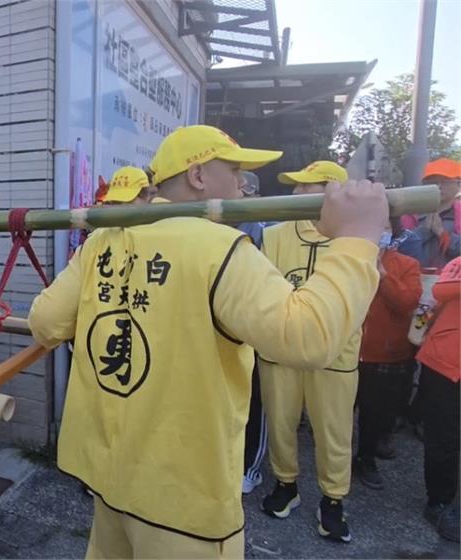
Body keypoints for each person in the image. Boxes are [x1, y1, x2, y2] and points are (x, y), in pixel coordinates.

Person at [29, 125, 385, 558]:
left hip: (107, 479)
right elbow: (308, 338)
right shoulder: (221, 247)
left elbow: (45, 323)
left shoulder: (102, 239)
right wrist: (356, 242)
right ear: (198, 176)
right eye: (234, 169)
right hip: (184, 497)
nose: (242, 183)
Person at [257, 160, 360, 542]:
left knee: (333, 429)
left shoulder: (355, 237)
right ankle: (286, 485)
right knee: (281, 421)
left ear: (332, 193)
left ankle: (333, 500)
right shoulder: (275, 234)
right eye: (296, 187)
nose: (297, 194)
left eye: (306, 187)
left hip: (336, 353)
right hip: (281, 347)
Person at [354, 219, 422, 490]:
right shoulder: (350, 260)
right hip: (348, 352)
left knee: (375, 415)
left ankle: (366, 458)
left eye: (384, 227)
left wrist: (383, 275)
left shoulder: (407, 265)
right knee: (340, 414)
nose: (378, 233)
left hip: (386, 356)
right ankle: (337, 461)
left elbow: (408, 302)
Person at [414, 256, 460, 542]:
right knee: (443, 440)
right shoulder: (458, 263)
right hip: (445, 364)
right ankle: (438, 502)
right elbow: (440, 291)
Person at [236, 169, 269, 496]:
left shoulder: (266, 229)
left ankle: (250, 467)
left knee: (256, 400)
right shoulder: (214, 223)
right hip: (221, 328)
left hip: (253, 329)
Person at [399, 158, 460, 270]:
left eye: (445, 181)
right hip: (415, 279)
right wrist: (424, 231)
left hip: (451, 282)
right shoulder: (410, 213)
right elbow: (399, 249)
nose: (438, 186)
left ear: (458, 184)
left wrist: (442, 233)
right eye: (432, 182)